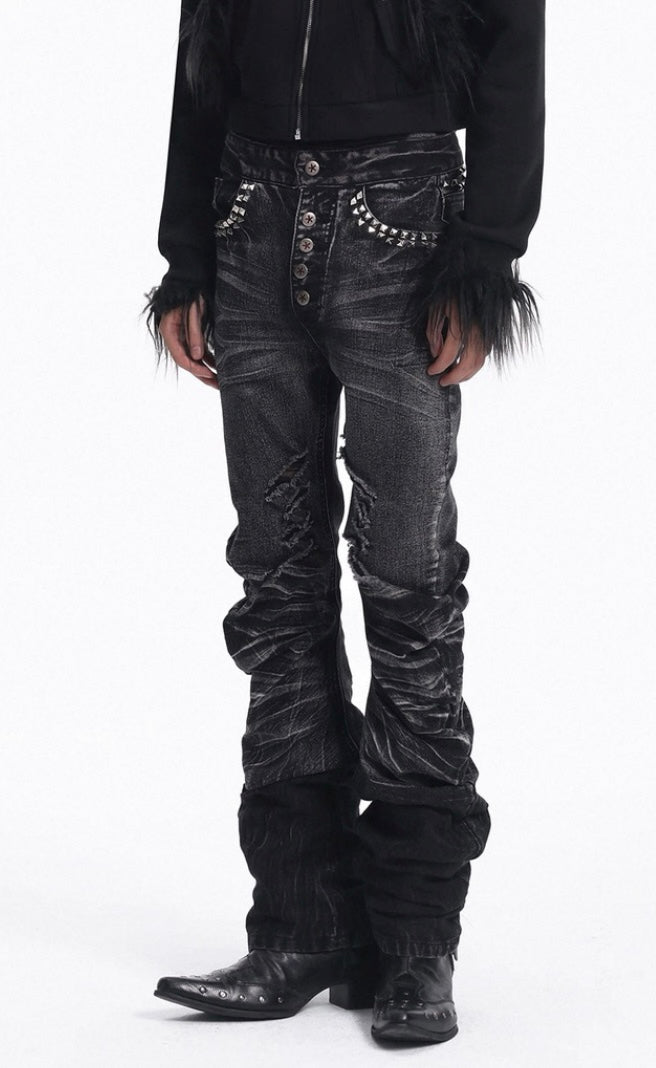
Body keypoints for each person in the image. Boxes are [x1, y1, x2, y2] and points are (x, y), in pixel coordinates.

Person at [142, 0, 545, 1046]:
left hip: (400, 215)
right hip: (246, 210)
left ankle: (414, 942)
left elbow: (511, 36)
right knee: (275, 582)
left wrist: (485, 255)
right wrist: (186, 255)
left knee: (408, 584)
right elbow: (201, 47)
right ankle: (299, 927)